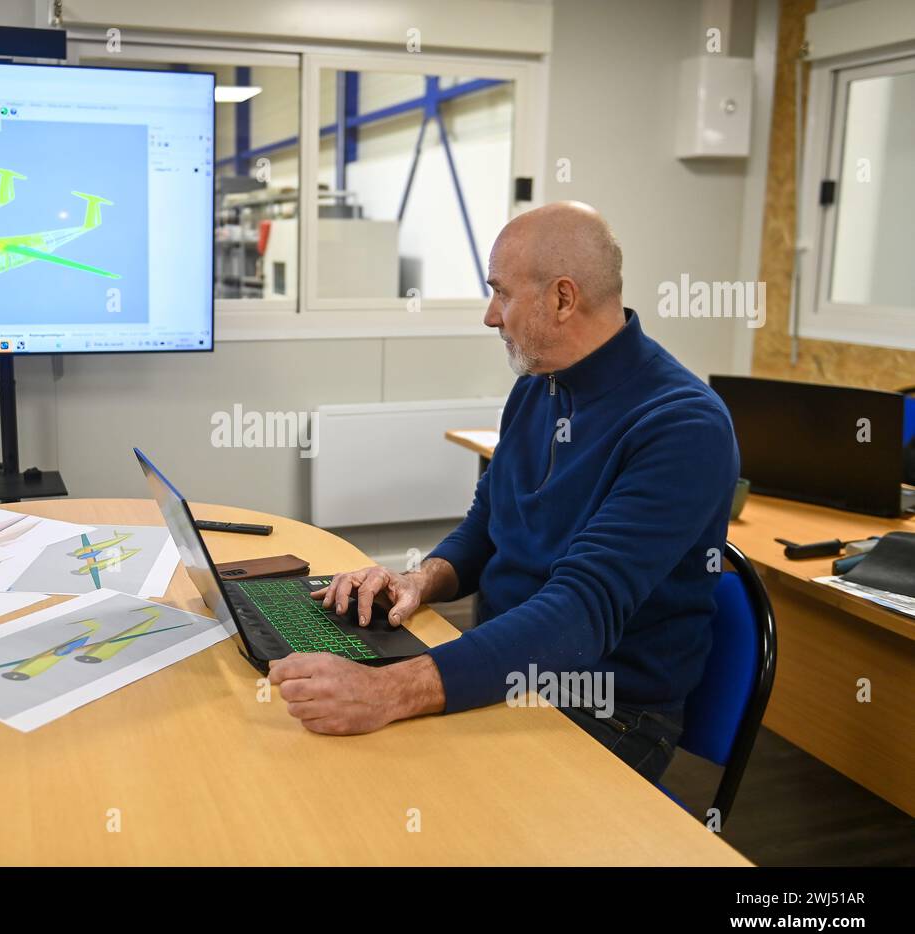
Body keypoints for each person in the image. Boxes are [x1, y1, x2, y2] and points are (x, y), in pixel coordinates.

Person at [268, 201, 739, 783]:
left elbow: (579, 614)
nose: (492, 316)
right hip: (514, 667)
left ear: (563, 298)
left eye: (502, 293)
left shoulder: (683, 426)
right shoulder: (537, 388)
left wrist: (389, 691)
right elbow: (485, 529)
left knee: (388, 792)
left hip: (606, 709)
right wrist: (419, 580)